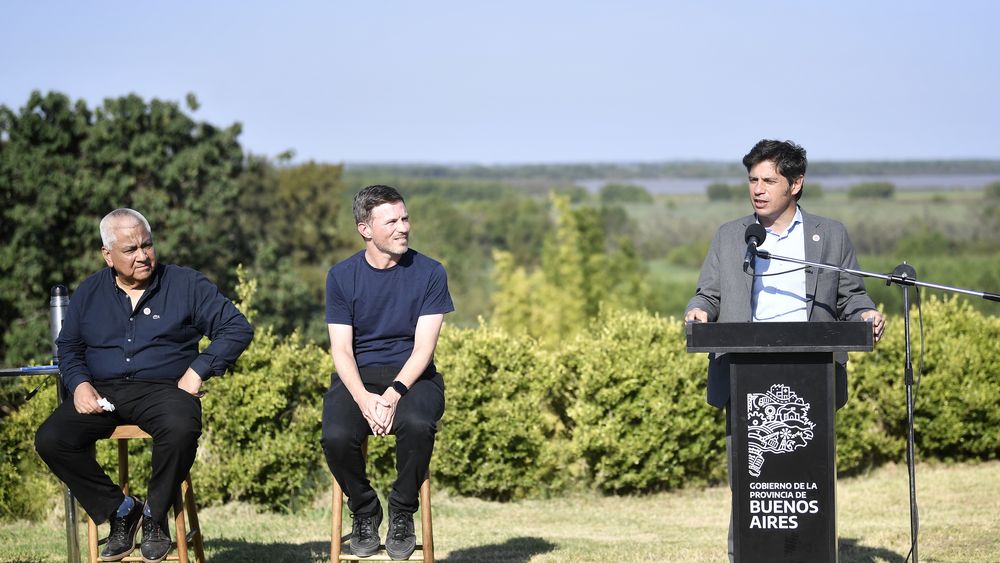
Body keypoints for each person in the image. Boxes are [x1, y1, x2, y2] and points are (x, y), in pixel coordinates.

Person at [684, 139, 885, 560]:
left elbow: (851, 294)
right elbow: (708, 294)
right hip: (745, 374)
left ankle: (810, 551)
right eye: (753, 180)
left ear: (795, 184)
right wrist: (699, 311)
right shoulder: (731, 236)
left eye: (768, 180)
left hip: (810, 373)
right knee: (751, 480)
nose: (757, 189)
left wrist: (866, 315)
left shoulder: (829, 236)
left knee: (807, 479)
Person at [35, 208, 253, 563]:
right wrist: (79, 384)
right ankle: (121, 509)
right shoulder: (90, 290)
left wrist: (198, 370)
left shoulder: (185, 283)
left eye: (147, 245)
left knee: (181, 427)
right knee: (51, 439)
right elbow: (69, 347)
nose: (142, 256)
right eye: (130, 249)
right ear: (108, 254)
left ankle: (155, 515)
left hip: (167, 389)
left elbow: (237, 328)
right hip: (104, 390)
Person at [321, 185, 452, 560]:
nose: (403, 228)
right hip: (358, 378)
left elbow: (424, 349)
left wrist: (393, 394)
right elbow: (341, 350)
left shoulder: (430, 273)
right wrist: (364, 399)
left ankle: (401, 510)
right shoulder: (342, 276)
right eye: (391, 221)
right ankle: (365, 510)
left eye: (405, 218)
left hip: (413, 377)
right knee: (336, 434)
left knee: (417, 425)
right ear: (366, 229)